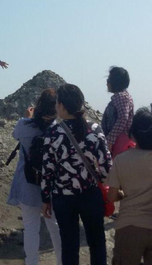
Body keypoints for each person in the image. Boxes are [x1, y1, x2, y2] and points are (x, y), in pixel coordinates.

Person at [41, 84, 112, 265]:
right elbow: (106, 166)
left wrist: (45, 199)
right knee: (97, 242)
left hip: (63, 199)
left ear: (62, 106)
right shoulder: (94, 129)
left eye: (57, 103)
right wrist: (99, 180)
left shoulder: (53, 132)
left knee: (69, 246)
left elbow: (47, 170)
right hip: (90, 195)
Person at [7, 89, 62, 265]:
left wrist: (28, 118)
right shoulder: (58, 130)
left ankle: (31, 262)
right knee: (55, 228)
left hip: (28, 183)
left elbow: (16, 136)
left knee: (30, 228)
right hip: (52, 185)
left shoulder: (24, 125)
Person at [107, 106, 152, 264]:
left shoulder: (121, 160)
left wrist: (124, 193)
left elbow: (111, 196)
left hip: (129, 226)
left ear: (133, 133)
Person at [101, 66, 135, 158]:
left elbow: (123, 118)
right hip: (118, 141)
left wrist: (110, 139)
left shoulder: (121, 97)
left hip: (119, 142)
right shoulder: (121, 97)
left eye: (109, 80)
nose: (107, 83)